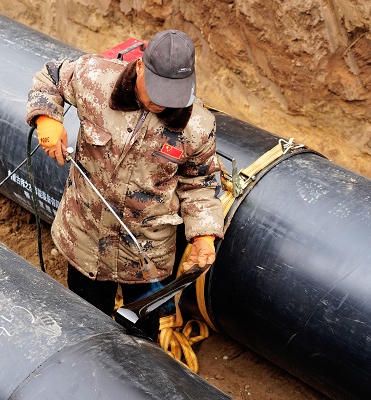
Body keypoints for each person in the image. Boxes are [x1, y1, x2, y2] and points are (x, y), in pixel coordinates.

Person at [26, 30, 224, 331]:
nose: (163, 102)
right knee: (87, 325)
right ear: (141, 66)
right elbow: (51, 76)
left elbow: (201, 184)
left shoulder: (197, 126)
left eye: (173, 93)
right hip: (86, 242)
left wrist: (204, 236)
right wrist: (47, 118)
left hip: (148, 257)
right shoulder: (96, 78)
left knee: (145, 335)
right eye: (158, 89)